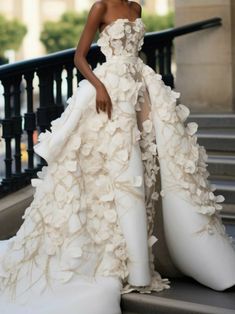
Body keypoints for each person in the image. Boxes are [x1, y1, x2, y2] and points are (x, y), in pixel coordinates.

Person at [0, 1, 235, 313]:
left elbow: (136, 54)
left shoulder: (136, 8)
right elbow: (79, 57)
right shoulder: (101, 6)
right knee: (120, 171)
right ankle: (125, 258)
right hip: (110, 94)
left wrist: (146, 89)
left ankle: (150, 253)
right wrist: (98, 86)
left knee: (150, 167)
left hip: (141, 91)